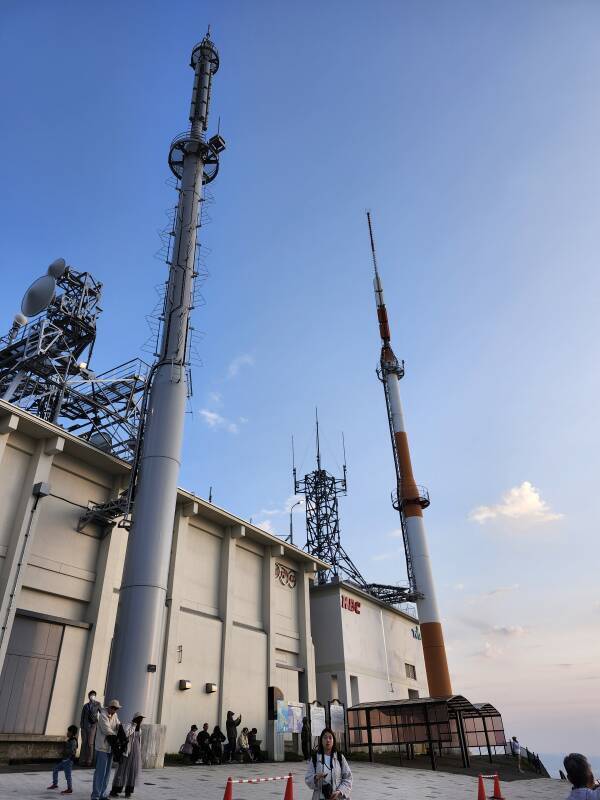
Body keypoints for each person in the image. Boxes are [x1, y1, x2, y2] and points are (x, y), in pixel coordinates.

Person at [305, 728, 352, 800]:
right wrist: (316, 777)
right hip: (320, 797)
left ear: (333, 741)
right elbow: (308, 779)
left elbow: (348, 778)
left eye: (330, 737)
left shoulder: (340, 757)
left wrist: (339, 791)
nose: (328, 740)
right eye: (325, 737)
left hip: (338, 797)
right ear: (321, 741)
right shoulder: (315, 758)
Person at [91, 699, 121, 800]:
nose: (115, 710)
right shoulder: (103, 715)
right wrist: (117, 736)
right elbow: (106, 729)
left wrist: (121, 729)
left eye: (116, 709)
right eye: (113, 708)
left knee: (107, 772)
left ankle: (102, 795)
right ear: (109, 707)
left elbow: (118, 725)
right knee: (100, 772)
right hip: (102, 747)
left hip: (110, 747)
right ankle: (95, 795)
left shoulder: (115, 715)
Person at [109, 712, 144, 798]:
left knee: (132, 771)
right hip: (127, 751)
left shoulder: (140, 728)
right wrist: (134, 726)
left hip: (135, 752)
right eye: (139, 719)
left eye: (141, 719)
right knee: (122, 770)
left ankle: (128, 791)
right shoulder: (128, 725)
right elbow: (126, 734)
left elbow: (139, 740)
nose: (141, 721)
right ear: (136, 718)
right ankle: (116, 790)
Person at [47, 724, 78, 795]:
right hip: (64, 760)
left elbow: (72, 751)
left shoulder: (73, 741)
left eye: (68, 732)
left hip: (68, 761)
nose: (67, 733)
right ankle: (55, 784)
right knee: (55, 769)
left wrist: (67, 754)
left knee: (68, 775)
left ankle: (69, 788)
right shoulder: (69, 740)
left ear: (72, 733)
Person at [80, 691, 101, 767]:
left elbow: (101, 713)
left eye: (93, 695)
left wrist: (98, 721)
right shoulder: (85, 706)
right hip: (85, 726)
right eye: (91, 695)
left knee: (90, 743)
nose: (92, 696)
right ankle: (82, 760)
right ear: (88, 696)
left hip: (93, 726)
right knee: (84, 743)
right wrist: (82, 726)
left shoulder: (98, 704)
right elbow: (82, 716)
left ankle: (89, 760)